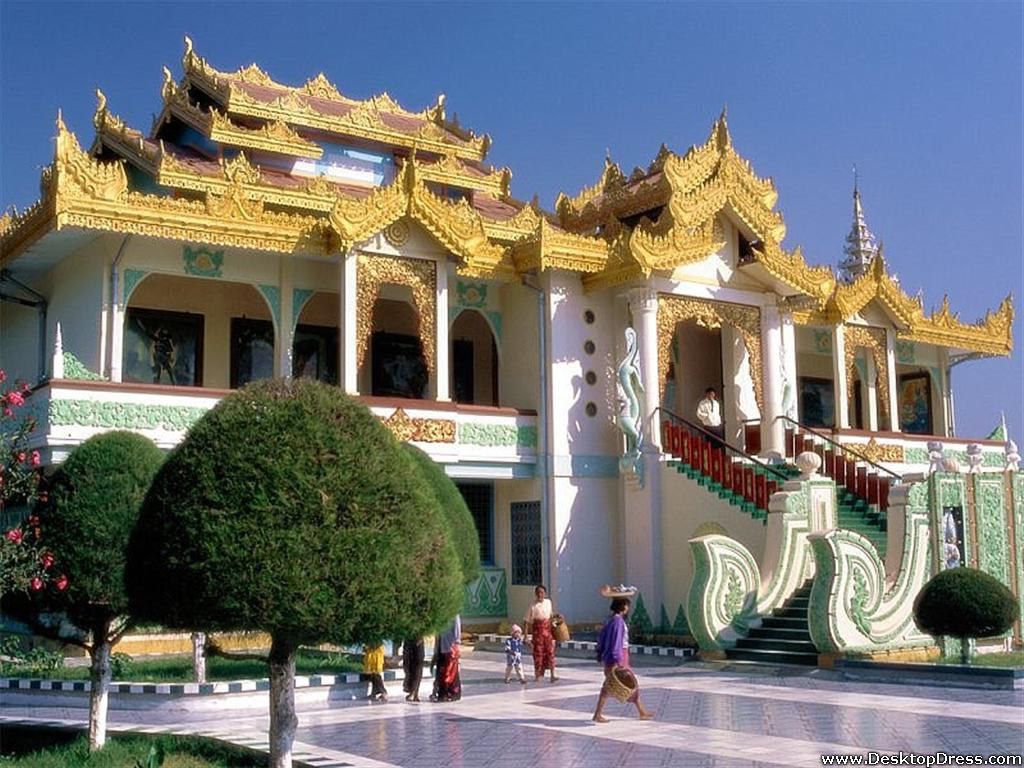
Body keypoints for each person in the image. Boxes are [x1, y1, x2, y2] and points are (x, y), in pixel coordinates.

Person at [592, 597, 654, 722]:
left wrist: (600, 652)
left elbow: (602, 638)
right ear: (623, 606)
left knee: (621, 683)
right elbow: (616, 642)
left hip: (614, 656)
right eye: (626, 605)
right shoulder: (618, 622)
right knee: (619, 684)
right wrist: (617, 661)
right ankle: (597, 714)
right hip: (618, 657)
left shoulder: (609, 620)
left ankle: (641, 711)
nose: (628, 608)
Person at [524, 584, 558, 682]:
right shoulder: (533, 606)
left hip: (547, 633)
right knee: (538, 654)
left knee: (550, 653)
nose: (540, 594)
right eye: (538, 593)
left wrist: (557, 619)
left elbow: (551, 616)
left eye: (542, 592)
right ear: (536, 594)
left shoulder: (548, 603)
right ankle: (537, 675)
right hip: (537, 634)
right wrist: (526, 636)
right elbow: (526, 621)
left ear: (545, 593)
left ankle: (552, 675)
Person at [430, 614, 461, 702]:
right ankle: (441, 693)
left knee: (450, 671)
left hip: (449, 647)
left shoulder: (454, 614)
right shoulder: (440, 613)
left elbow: (457, 631)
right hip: (441, 646)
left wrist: (456, 644)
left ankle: (451, 693)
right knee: (441, 670)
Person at [402, 636, 424, 702]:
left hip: (417, 642)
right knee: (409, 667)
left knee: (417, 669)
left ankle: (413, 692)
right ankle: (413, 692)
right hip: (410, 641)